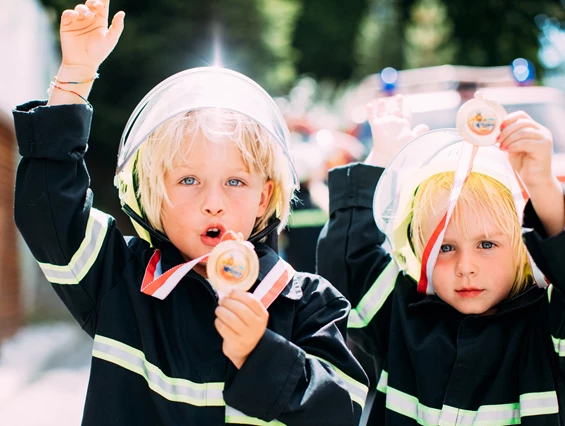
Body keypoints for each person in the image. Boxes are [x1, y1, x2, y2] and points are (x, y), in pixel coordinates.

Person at [12, 1, 368, 425]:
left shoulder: (310, 305)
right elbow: (49, 210)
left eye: (235, 182)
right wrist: (73, 79)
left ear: (264, 196)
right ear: (152, 194)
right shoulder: (118, 279)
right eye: (188, 180)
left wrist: (260, 354)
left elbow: (343, 411)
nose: (212, 202)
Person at [317, 94, 565, 425]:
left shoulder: (547, 323)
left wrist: (542, 184)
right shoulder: (400, 311)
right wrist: (382, 160)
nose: (466, 267)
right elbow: (347, 268)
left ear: (522, 246)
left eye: (487, 244)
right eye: (445, 248)